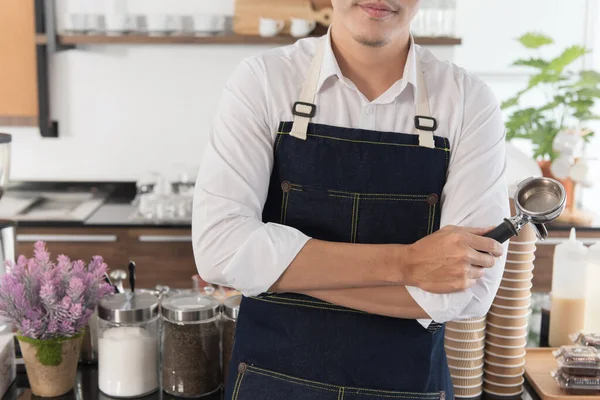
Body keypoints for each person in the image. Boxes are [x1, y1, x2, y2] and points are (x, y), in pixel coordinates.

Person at [193, 0, 509, 398]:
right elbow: (219, 251)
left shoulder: (469, 102)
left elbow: (468, 292)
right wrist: (409, 264)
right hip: (269, 384)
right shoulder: (263, 80)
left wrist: (273, 275)